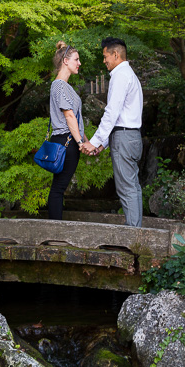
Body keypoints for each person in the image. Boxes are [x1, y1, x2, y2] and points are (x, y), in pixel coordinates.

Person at [81, 37, 144, 227]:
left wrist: (95, 141)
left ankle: (134, 236)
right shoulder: (129, 75)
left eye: (105, 56)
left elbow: (112, 112)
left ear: (115, 54)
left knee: (127, 189)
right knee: (132, 187)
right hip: (130, 136)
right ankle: (136, 231)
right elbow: (120, 116)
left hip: (124, 138)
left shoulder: (120, 75)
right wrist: (103, 143)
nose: (104, 61)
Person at [46, 41, 87, 220]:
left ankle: (55, 231)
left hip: (69, 140)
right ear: (65, 61)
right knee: (58, 189)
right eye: (76, 59)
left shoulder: (66, 87)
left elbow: (76, 118)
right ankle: (54, 233)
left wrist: (86, 142)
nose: (79, 63)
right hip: (66, 140)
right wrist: (80, 143)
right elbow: (69, 116)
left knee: (59, 187)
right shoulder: (59, 85)